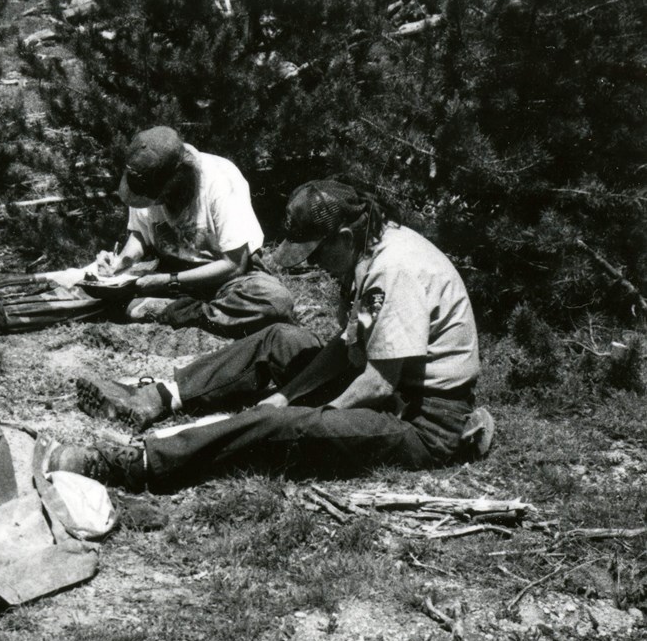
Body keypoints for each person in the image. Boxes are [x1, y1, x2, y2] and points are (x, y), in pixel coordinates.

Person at [50, 179, 495, 490]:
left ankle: (140, 463)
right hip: (394, 392)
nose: (314, 264)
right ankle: (159, 397)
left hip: (422, 424)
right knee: (280, 337)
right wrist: (286, 394)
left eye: (316, 252)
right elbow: (346, 346)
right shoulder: (370, 246)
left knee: (284, 424)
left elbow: (378, 383)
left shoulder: (394, 268)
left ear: (342, 235)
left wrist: (307, 410)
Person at [0, 126, 295, 339]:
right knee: (91, 284)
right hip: (167, 273)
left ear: (176, 178)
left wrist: (163, 284)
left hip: (226, 277)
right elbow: (141, 237)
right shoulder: (146, 173)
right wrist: (123, 260)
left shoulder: (219, 180)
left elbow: (235, 264)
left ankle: (174, 310)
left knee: (272, 299)